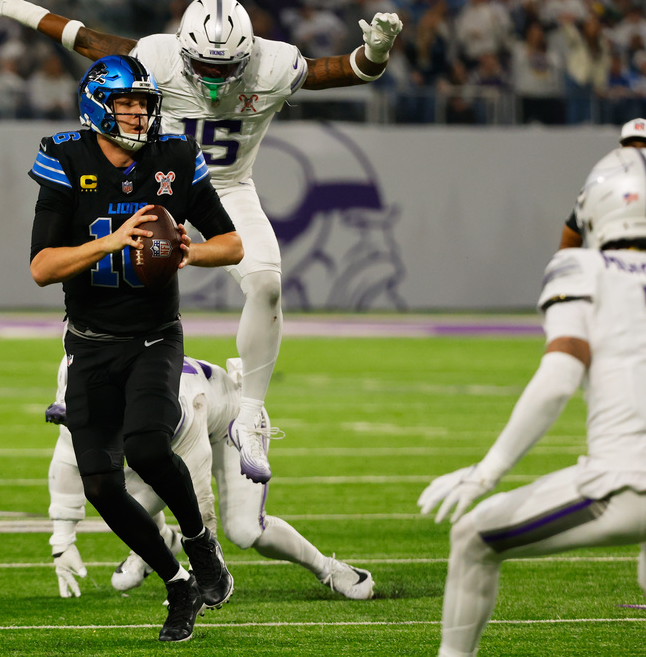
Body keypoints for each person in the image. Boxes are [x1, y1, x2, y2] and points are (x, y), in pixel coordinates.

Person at [0, 0, 403, 485]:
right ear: (183, 49)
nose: (213, 80)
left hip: (229, 186)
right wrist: (22, 8)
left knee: (266, 282)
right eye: (204, 67)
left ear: (249, 54)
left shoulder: (273, 65)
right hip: (160, 182)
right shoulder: (158, 57)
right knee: (103, 261)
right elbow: (90, 43)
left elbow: (341, 70)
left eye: (224, 68)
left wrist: (377, 52)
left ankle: (251, 414)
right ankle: (71, 376)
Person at [28, 54, 242, 642]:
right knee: (100, 484)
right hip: (89, 344)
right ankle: (177, 584)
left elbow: (232, 243)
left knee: (148, 445)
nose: (139, 114)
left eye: (145, 104)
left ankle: (201, 547)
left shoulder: (173, 157)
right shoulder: (67, 156)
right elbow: (43, 268)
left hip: (153, 337)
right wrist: (114, 242)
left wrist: (185, 252)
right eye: (127, 104)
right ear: (98, 105)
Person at [417, 145, 646, 657]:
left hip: (626, 483)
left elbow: (561, 375)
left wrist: (486, 472)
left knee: (473, 539)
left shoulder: (582, 268)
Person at [45, 353, 375, 601]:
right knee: (114, 494)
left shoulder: (170, 405)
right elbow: (66, 462)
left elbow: (195, 491)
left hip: (230, 419)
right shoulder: (89, 396)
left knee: (245, 530)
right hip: (171, 431)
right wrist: (62, 543)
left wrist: (205, 567)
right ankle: (160, 543)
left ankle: (327, 569)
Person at [559, 117, 646, 249]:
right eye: (632, 147)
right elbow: (571, 233)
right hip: (616, 263)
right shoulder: (604, 183)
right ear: (621, 149)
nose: (638, 152)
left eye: (644, 147)